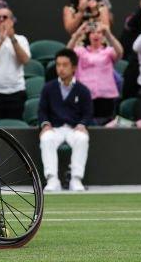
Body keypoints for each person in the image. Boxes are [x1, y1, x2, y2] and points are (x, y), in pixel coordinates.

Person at [38, 48, 92, 192]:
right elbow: (42, 111)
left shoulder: (83, 90)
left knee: (82, 138)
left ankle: (76, 179)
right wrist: (45, 124)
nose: (60, 68)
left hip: (74, 129)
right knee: (46, 138)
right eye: (58, 65)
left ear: (74, 67)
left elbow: (88, 113)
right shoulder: (48, 88)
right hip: (54, 128)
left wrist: (82, 124)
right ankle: (52, 180)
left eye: (65, 65)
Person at [67, 22, 123, 125]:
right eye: (93, 32)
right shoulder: (81, 51)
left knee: (105, 127)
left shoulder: (109, 51)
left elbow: (120, 52)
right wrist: (78, 34)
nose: (96, 35)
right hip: (85, 96)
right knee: (86, 125)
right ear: (89, 36)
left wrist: (108, 34)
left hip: (106, 97)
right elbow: (67, 54)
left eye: (99, 33)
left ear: (103, 36)